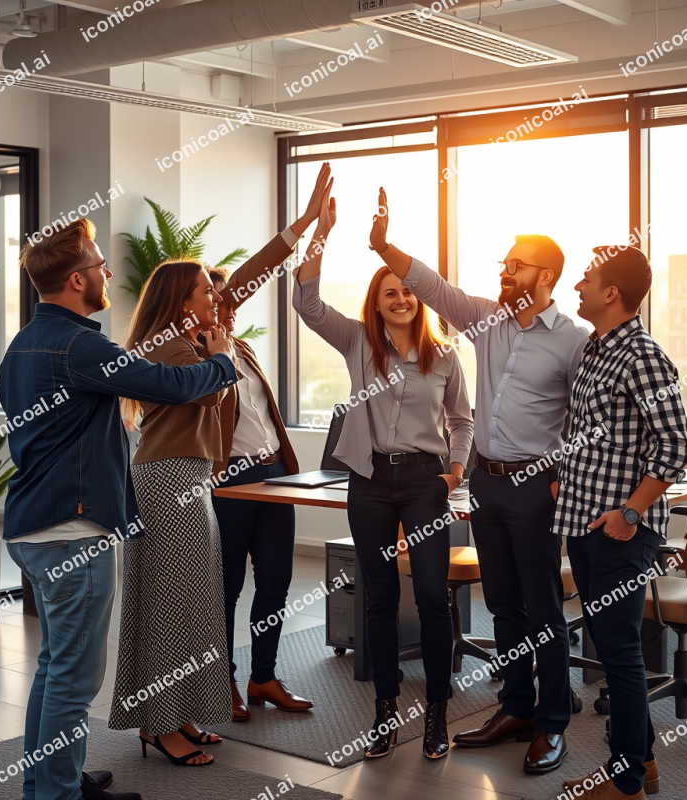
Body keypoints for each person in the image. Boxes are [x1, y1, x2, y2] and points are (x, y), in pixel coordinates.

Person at [0, 218, 238, 800]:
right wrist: (222, 360)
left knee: (56, 668)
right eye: (99, 265)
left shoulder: (22, 343)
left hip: (34, 527)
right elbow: (167, 385)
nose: (108, 272)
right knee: (74, 679)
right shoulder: (80, 345)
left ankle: (49, 780)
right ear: (77, 280)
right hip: (72, 530)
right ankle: (56, 793)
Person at [372, 188, 587, 774]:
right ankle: (516, 707)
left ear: (546, 276)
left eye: (517, 264)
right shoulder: (488, 318)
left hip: (537, 487)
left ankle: (552, 723)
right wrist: (385, 248)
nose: (506, 271)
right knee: (503, 603)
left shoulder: (573, 339)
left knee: (542, 607)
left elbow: (587, 416)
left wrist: (565, 476)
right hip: (487, 486)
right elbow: (434, 287)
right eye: (504, 263)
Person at [293, 181, 474, 759]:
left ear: (419, 299)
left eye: (407, 291)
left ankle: (437, 712)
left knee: (432, 595)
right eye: (389, 293)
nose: (401, 298)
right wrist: (321, 233)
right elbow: (307, 304)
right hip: (370, 483)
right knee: (378, 597)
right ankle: (385, 711)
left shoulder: (444, 356)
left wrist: (454, 473)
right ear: (375, 303)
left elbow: (462, 420)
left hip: (424, 483)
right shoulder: (356, 341)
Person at [558, 246, 687, 800]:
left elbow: (675, 445)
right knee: (615, 650)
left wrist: (631, 513)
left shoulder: (642, 356)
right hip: (585, 522)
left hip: (622, 530)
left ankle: (627, 780)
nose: (578, 286)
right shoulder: (595, 349)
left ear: (611, 292)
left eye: (587, 279)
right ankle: (645, 764)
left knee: (619, 654)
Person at [207, 163, 333, 719]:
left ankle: (263, 677)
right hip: (230, 481)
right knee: (228, 586)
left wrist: (312, 223)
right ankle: (223, 683)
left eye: (230, 301)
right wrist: (302, 224)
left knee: (277, 581)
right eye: (218, 299)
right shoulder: (189, 354)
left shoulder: (243, 350)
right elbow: (251, 274)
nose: (230, 306)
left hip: (276, 474)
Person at [106, 260, 241, 767]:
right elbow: (208, 393)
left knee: (189, 602)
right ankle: (158, 724)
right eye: (207, 291)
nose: (216, 298)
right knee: (169, 605)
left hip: (186, 476)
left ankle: (177, 713)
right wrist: (222, 355)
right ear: (182, 301)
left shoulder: (187, 344)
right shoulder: (168, 346)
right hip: (168, 481)